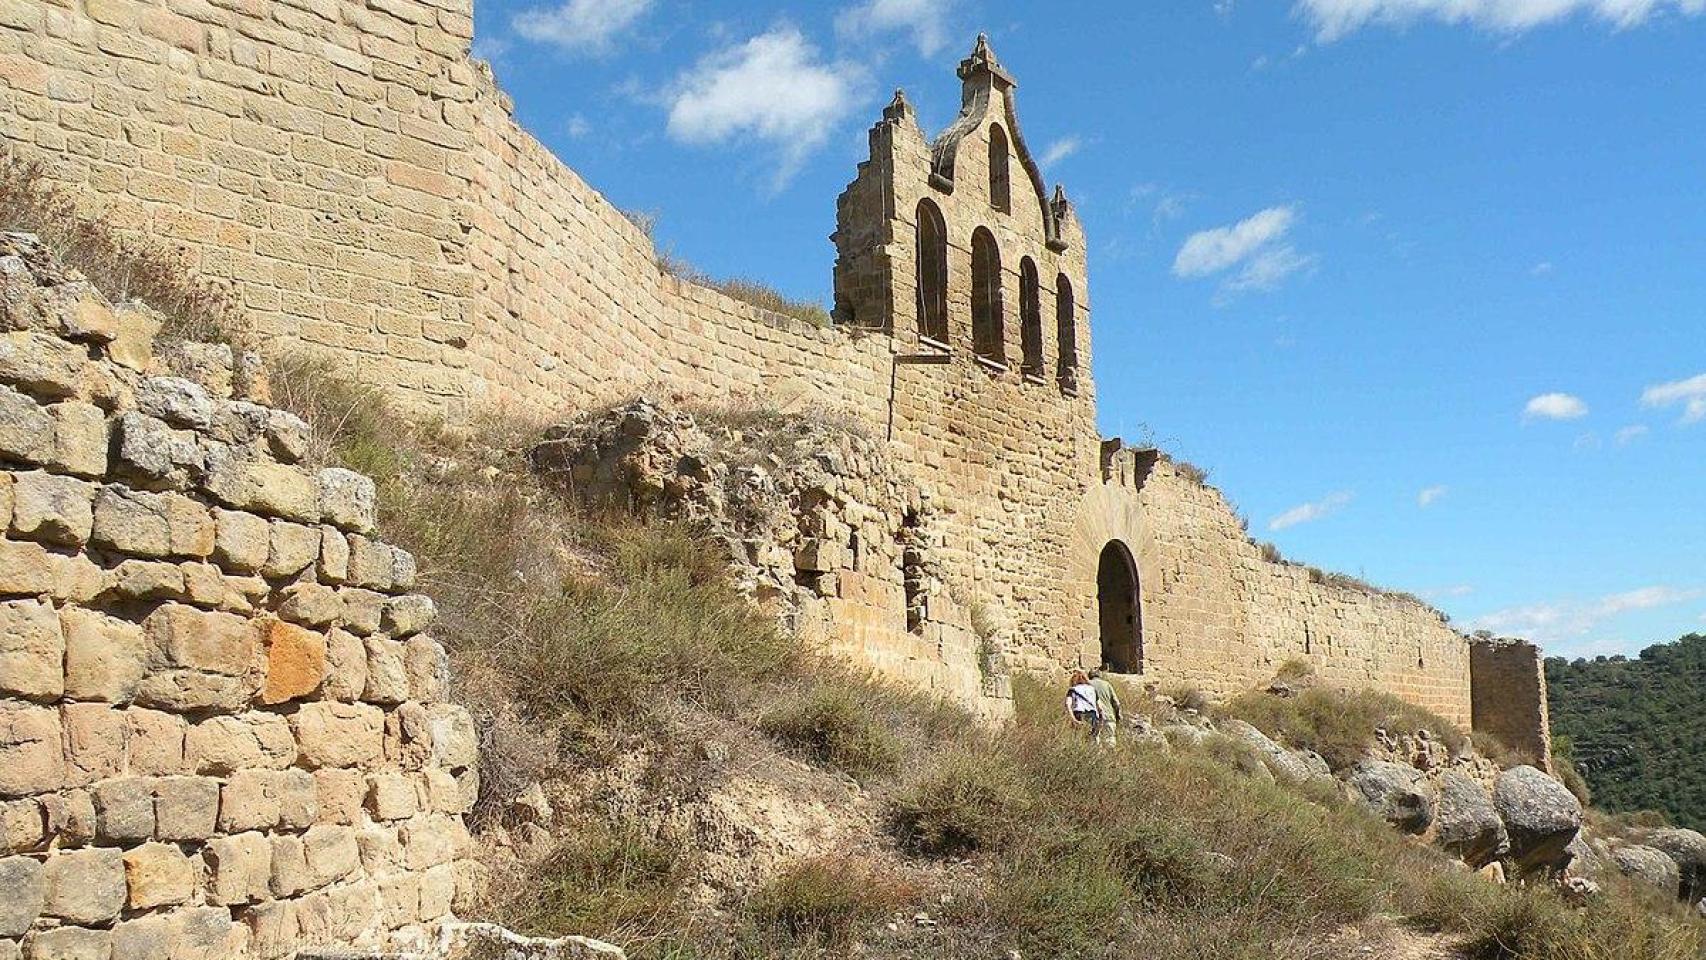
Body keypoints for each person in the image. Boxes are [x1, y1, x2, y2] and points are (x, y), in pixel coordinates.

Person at [1088, 669, 1122, 747]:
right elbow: (1116, 702)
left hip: (1093, 717)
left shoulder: (1087, 685)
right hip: (1108, 716)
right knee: (1110, 740)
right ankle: (1111, 758)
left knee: (1095, 742)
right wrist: (1118, 715)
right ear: (1100, 676)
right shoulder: (1107, 684)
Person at [1065, 669, 1100, 739]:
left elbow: (1067, 704)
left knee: (1078, 739)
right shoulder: (1092, 689)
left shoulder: (1073, 690)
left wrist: (1073, 719)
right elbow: (1099, 706)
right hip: (1092, 715)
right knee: (1092, 739)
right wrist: (1100, 719)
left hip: (1079, 714)